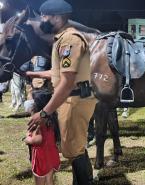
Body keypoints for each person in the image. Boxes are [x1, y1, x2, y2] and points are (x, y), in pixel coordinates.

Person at [28, 0, 97, 184]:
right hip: (70, 98)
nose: (41, 20)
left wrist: (44, 113)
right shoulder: (62, 38)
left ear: (57, 18)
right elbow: (58, 73)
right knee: (73, 147)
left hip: (73, 99)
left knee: (73, 149)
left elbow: (67, 82)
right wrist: (31, 73)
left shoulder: (70, 40)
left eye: (45, 16)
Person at [24, 90, 60, 185]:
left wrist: (28, 139)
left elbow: (38, 140)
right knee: (49, 179)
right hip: (52, 154)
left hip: (42, 157)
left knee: (40, 181)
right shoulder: (52, 118)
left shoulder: (39, 122)